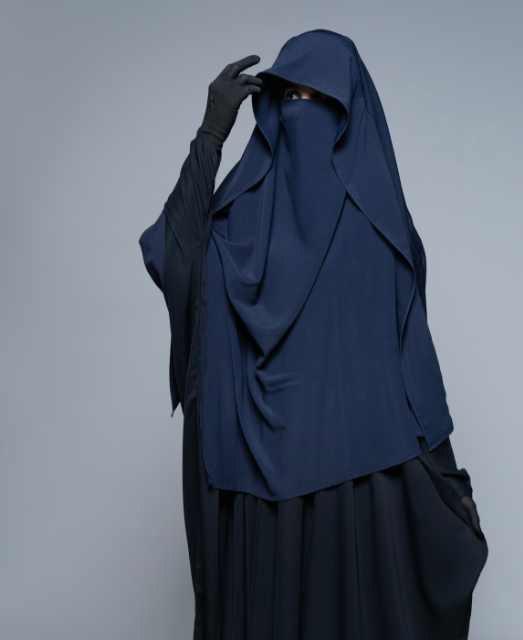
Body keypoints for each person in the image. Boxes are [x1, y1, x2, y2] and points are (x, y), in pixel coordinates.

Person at [140, 29, 488, 640]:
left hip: (360, 495)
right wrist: (210, 135)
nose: (301, 110)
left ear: (349, 116)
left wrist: (448, 476)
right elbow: (174, 253)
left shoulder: (383, 237)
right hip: (256, 499)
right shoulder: (241, 225)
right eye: (289, 97)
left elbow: (411, 363)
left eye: (319, 99)